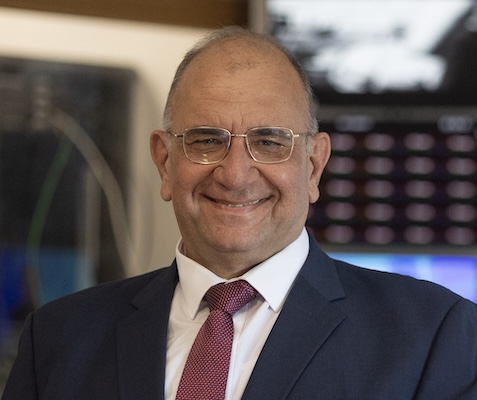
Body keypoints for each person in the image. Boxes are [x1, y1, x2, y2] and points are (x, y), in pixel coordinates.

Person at [2, 26, 477, 400]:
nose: (234, 175)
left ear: (313, 165)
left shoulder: (435, 336)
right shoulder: (58, 340)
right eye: (207, 140)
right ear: (165, 161)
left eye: (269, 142)